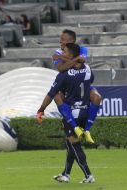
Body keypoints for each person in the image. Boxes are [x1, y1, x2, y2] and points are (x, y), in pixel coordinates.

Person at [37, 43, 95, 183]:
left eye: (65, 51)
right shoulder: (87, 69)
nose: (62, 53)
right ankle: (66, 174)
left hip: (71, 113)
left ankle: (88, 175)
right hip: (85, 111)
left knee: (74, 144)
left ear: (71, 55)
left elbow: (51, 94)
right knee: (70, 144)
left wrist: (41, 109)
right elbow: (90, 82)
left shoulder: (63, 75)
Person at [52, 29, 101, 142]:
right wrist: (76, 59)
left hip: (81, 82)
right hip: (66, 85)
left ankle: (87, 130)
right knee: (58, 97)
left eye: (63, 39)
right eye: (60, 39)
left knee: (97, 97)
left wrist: (63, 59)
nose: (60, 41)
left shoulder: (82, 49)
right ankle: (69, 122)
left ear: (72, 41)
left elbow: (81, 62)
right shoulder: (57, 51)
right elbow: (60, 68)